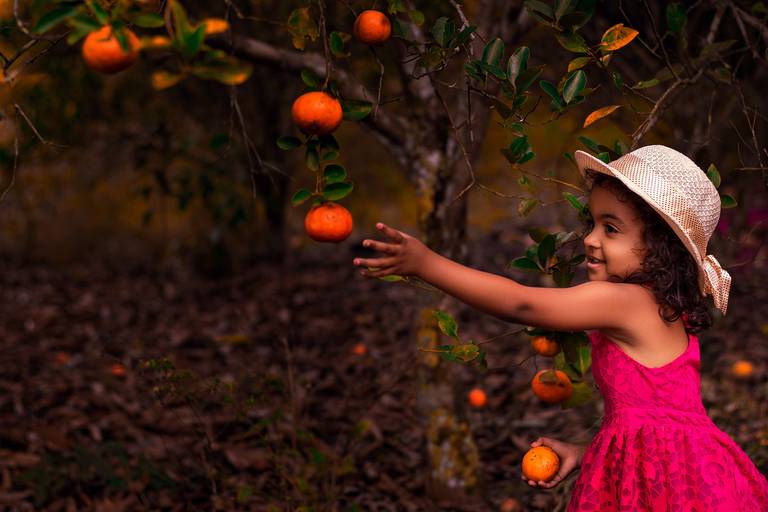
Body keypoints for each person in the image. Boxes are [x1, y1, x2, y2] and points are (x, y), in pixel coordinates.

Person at [351, 145, 768, 510]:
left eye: (611, 228)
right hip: (691, 473)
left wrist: (427, 264)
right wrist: (588, 453)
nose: (590, 238)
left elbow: (523, 302)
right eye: (592, 223)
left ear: (660, 245)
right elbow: (657, 431)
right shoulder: (666, 312)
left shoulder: (625, 301)